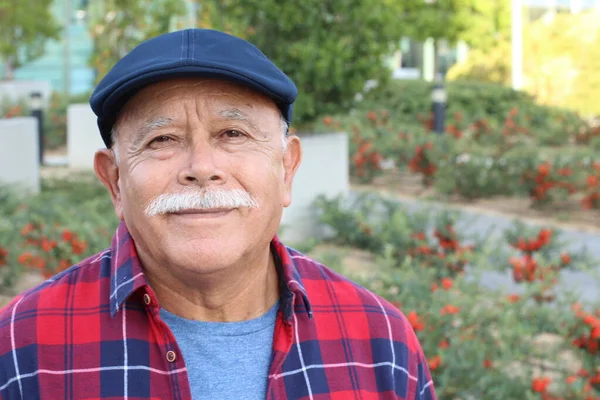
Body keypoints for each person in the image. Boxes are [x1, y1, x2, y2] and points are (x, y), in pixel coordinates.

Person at [0, 29, 436, 400]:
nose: (202, 168)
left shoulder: (381, 342)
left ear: (286, 169)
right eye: (162, 140)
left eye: (233, 133)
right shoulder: (21, 348)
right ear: (115, 181)